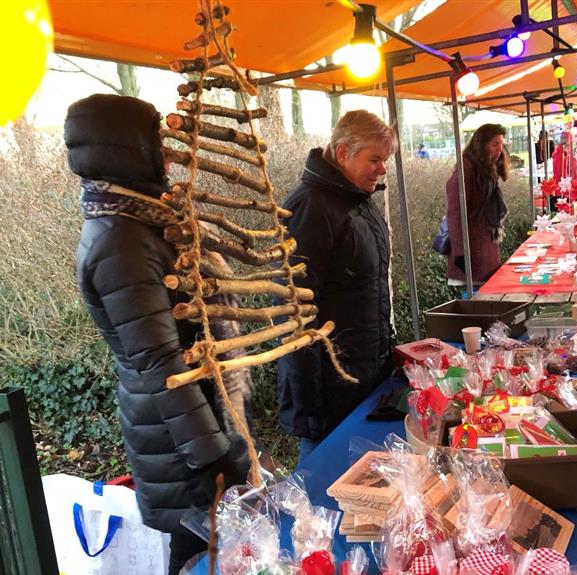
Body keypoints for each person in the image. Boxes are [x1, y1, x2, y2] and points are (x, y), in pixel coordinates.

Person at [66, 94, 253, 574]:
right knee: (197, 552)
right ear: (128, 150)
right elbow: (160, 363)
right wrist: (214, 454)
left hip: (188, 426)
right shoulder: (119, 241)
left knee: (211, 547)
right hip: (178, 439)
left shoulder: (140, 222)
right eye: (157, 144)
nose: (168, 157)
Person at [277, 110, 397, 462]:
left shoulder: (358, 200)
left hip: (364, 375)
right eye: (375, 159)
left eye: (385, 159)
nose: (383, 168)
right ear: (343, 152)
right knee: (324, 484)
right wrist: (309, 406)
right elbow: (293, 314)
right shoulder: (308, 209)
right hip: (329, 390)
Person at [445, 123, 509, 285]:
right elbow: (455, 213)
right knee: (477, 305)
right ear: (482, 145)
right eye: (495, 144)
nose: (500, 149)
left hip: (484, 248)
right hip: (471, 251)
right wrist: (461, 253)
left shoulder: (487, 170)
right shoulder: (466, 170)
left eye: (501, 144)